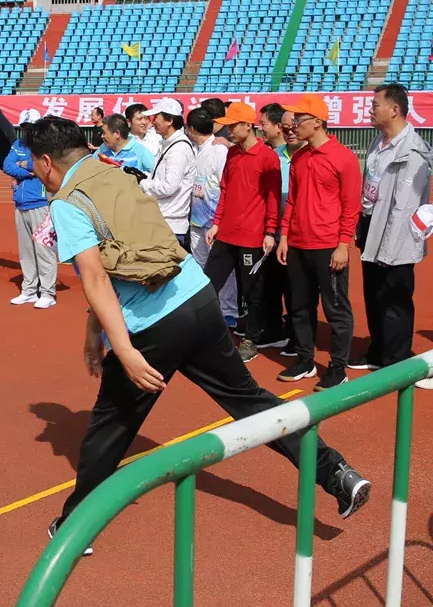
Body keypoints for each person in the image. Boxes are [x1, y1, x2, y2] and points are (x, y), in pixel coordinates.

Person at [23, 115, 370, 553]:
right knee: (253, 403)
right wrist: (96, 333)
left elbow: (94, 278)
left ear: (47, 162)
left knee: (109, 429)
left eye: (32, 162)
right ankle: (337, 473)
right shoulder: (115, 173)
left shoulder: (68, 201)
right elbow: (118, 261)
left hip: (153, 327)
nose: (32, 170)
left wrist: (123, 350)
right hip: (198, 299)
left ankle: (75, 527)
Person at [277, 95, 362, 390]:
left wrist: (343, 244)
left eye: (299, 119)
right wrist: (284, 237)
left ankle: (338, 367)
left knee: (336, 308)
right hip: (298, 244)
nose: (293, 125)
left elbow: (351, 206)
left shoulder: (343, 158)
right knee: (300, 306)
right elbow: (292, 202)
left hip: (328, 246)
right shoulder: (299, 158)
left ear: (317, 122)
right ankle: (305, 360)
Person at [351, 84, 432, 379]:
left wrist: (387, 250)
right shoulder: (378, 142)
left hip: (397, 235)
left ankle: (396, 361)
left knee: (394, 298)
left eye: (375, 105)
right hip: (373, 225)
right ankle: (378, 350)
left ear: (394, 110)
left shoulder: (413, 151)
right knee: (373, 294)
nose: (370, 110)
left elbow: (404, 208)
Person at [203, 102, 283, 364]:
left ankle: (251, 339)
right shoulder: (232, 154)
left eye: (233, 126)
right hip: (226, 233)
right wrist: (217, 223)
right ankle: (205, 331)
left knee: (253, 292)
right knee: (208, 283)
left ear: (248, 126)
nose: (229, 131)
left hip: (252, 236)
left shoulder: (267, 157)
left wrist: (269, 231)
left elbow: (272, 197)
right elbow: (225, 190)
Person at [185, 107, 238, 327]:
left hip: (215, 222)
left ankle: (229, 311)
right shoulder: (193, 150)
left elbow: (227, 186)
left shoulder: (218, 150)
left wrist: (220, 220)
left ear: (191, 129)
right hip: (196, 220)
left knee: (222, 269)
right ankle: (207, 308)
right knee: (200, 266)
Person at [260, 104, 302, 357]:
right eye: (286, 128)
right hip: (273, 232)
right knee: (272, 285)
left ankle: (299, 336)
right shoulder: (274, 155)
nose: (290, 132)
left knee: (296, 289)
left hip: (300, 235)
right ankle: (275, 328)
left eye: (294, 127)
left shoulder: (310, 156)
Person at [3, 121, 57, 308]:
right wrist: (29, 171)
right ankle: (29, 290)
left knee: (43, 249)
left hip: (40, 204)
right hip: (20, 204)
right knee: (26, 251)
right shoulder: (17, 144)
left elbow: (43, 167)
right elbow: (7, 166)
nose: (26, 131)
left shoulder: (46, 146)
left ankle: (48, 292)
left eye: (30, 128)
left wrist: (24, 165)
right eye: (24, 128)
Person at [138, 98, 196, 251]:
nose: (152, 122)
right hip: (163, 219)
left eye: (156, 117)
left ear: (169, 120)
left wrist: (142, 183)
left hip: (171, 223)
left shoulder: (179, 149)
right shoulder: (168, 144)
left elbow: (169, 187)